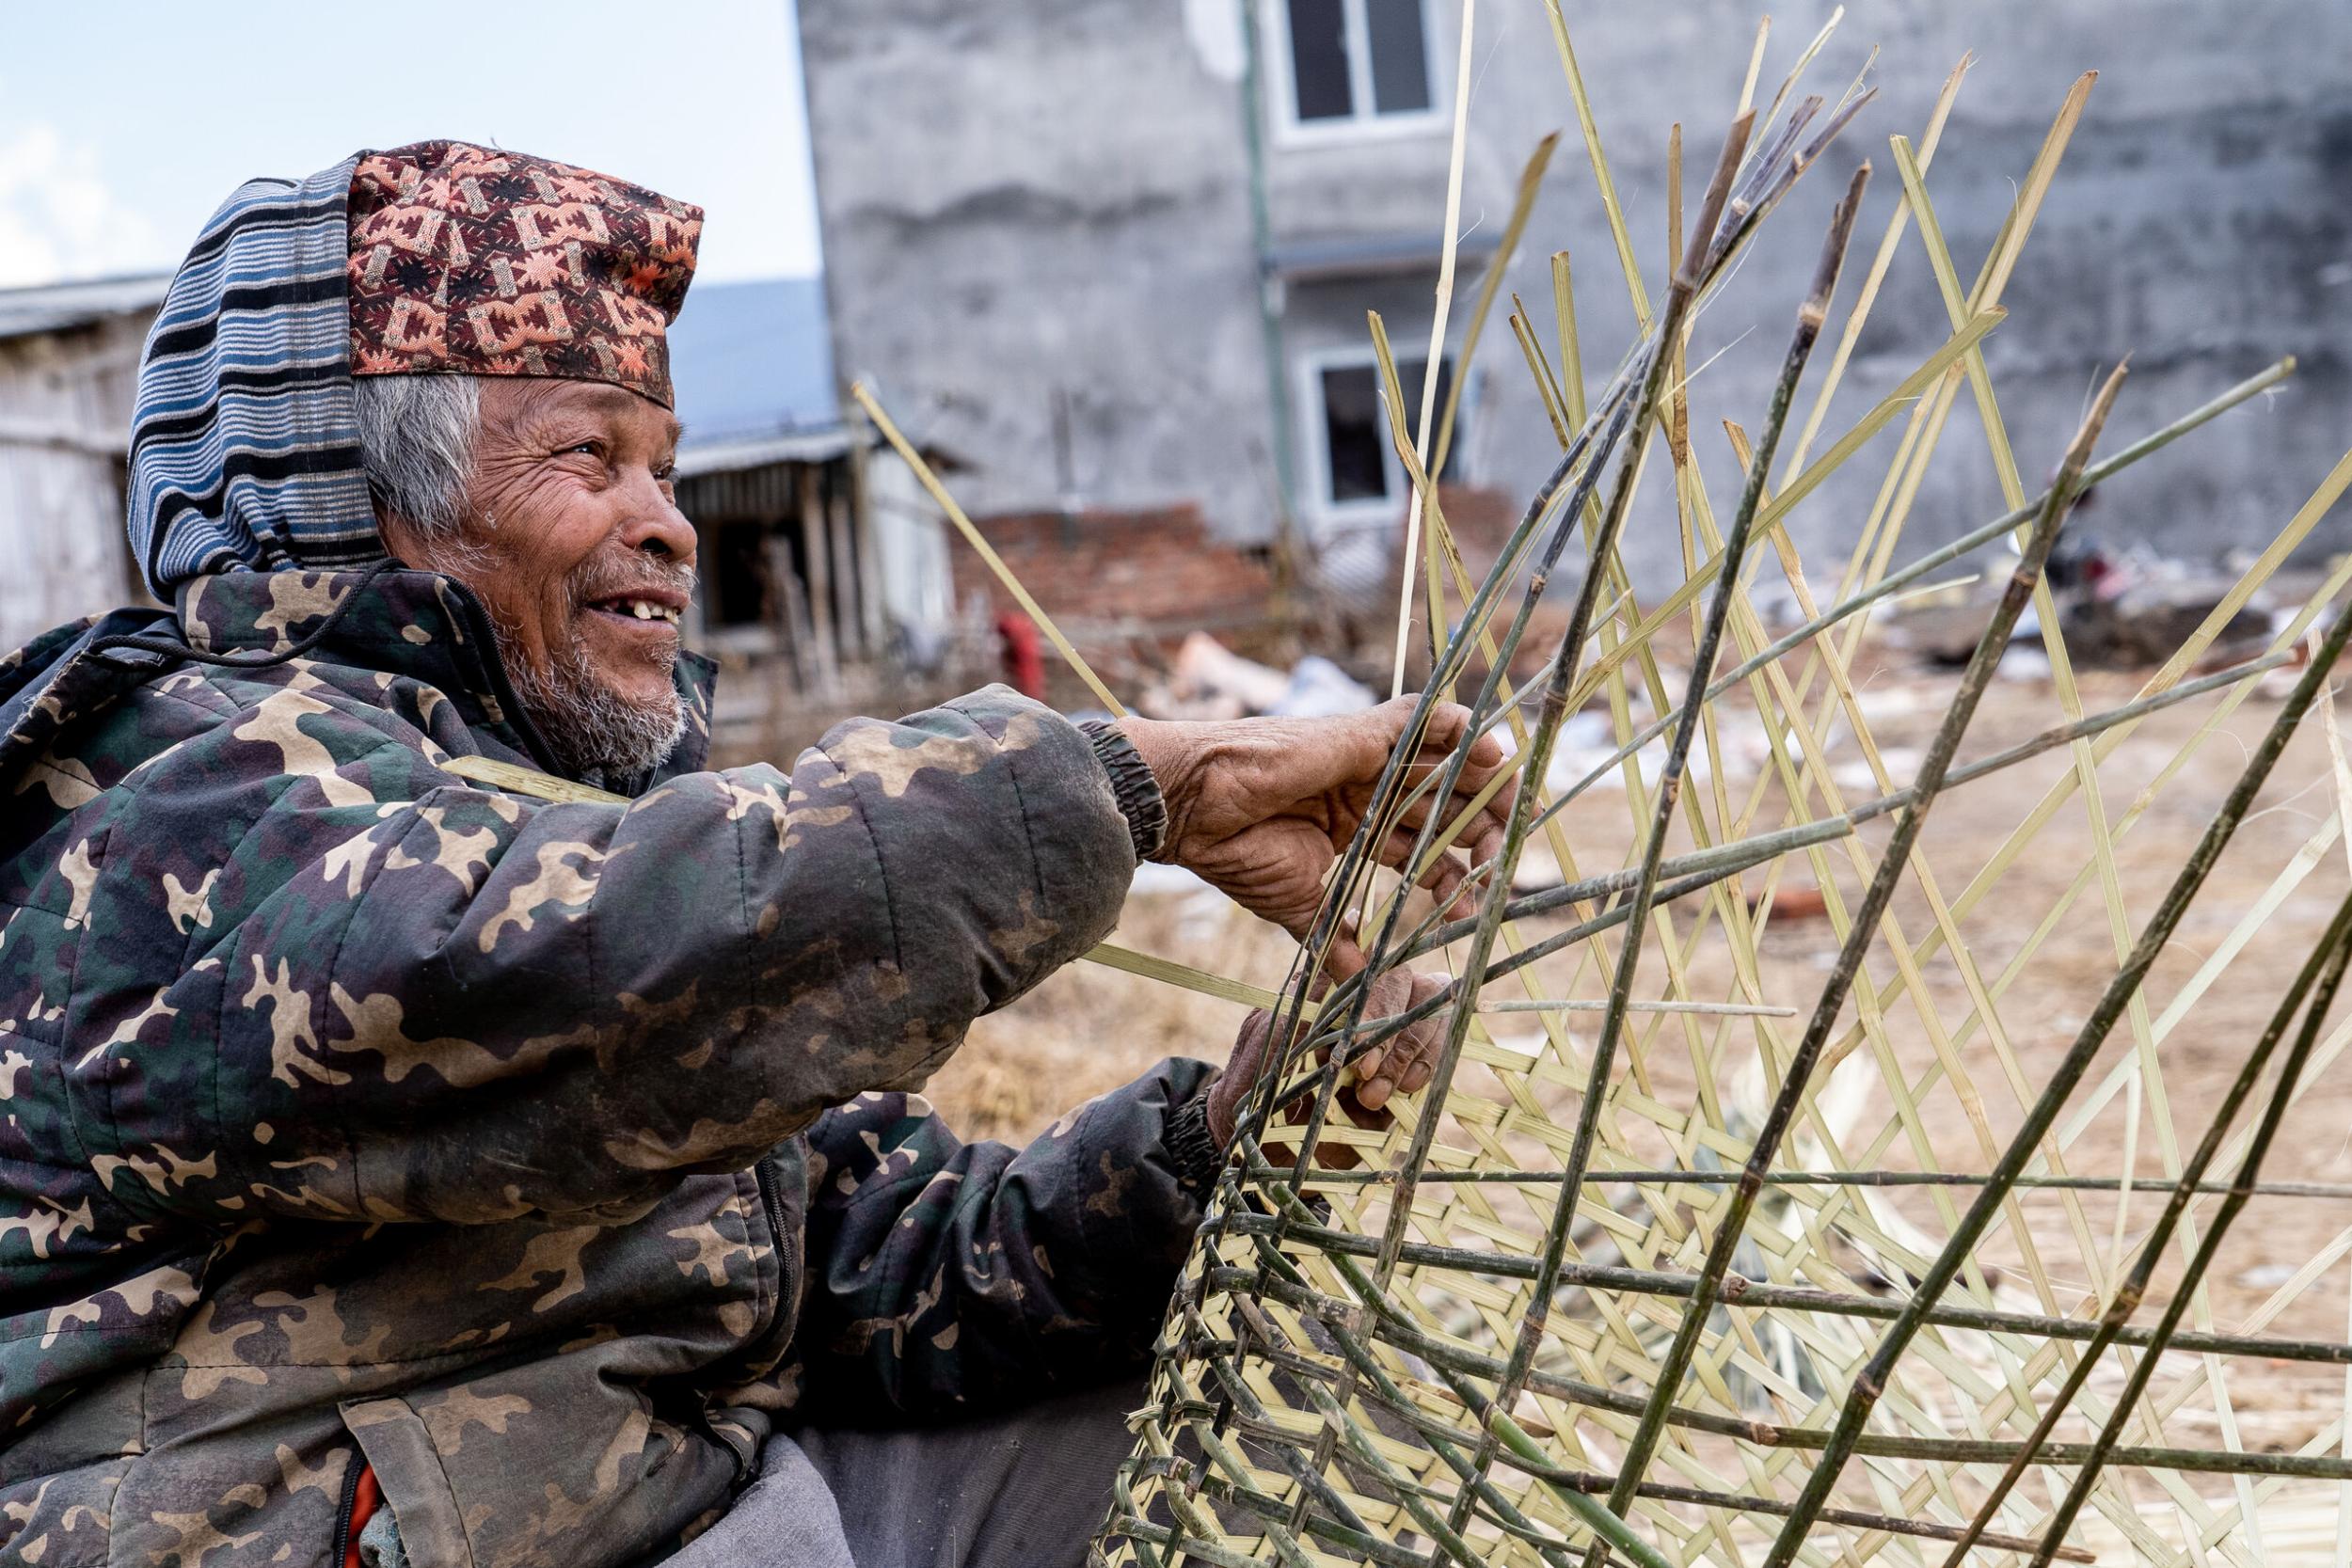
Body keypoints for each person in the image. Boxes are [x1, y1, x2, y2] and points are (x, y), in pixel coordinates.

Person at [0, 142, 1511, 1568]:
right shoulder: (182, 799)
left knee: (1215, 1416)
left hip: (705, 1499)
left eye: (666, 465)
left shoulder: (548, 809)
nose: (669, 526)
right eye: (588, 455)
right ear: (362, 507)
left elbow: (863, 1257)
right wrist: (1136, 786)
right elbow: (591, 967)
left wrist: (1218, 1137)